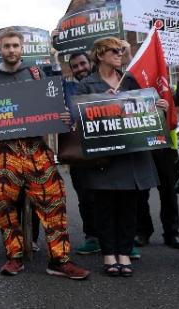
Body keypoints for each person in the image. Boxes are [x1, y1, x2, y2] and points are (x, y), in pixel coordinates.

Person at [0, 29, 89, 280]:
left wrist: (61, 115)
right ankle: (14, 256)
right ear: (0, 48)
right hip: (4, 148)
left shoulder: (36, 73)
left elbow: (54, 104)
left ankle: (59, 260)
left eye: (16, 45)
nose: (12, 50)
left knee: (53, 198)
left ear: (22, 48)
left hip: (35, 145)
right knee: (5, 202)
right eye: (7, 46)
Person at [76, 37, 167, 278]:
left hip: (130, 155)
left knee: (129, 206)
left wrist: (158, 108)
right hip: (104, 158)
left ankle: (124, 253)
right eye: (114, 51)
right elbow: (80, 119)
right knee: (104, 207)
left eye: (121, 51)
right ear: (100, 55)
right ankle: (108, 253)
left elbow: (141, 114)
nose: (119, 54)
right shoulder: (87, 84)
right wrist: (102, 102)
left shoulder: (130, 80)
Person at [135, 63, 179, 250]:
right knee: (140, 193)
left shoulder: (168, 88)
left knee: (169, 193)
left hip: (166, 146)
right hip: (143, 146)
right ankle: (143, 232)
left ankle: (172, 233)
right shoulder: (136, 88)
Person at [62, 51, 100, 256]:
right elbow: (49, 83)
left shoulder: (103, 82)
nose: (80, 69)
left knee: (111, 195)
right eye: (75, 66)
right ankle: (92, 237)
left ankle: (120, 238)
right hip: (79, 151)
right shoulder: (68, 88)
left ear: (90, 62)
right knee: (85, 197)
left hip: (105, 148)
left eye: (82, 64)